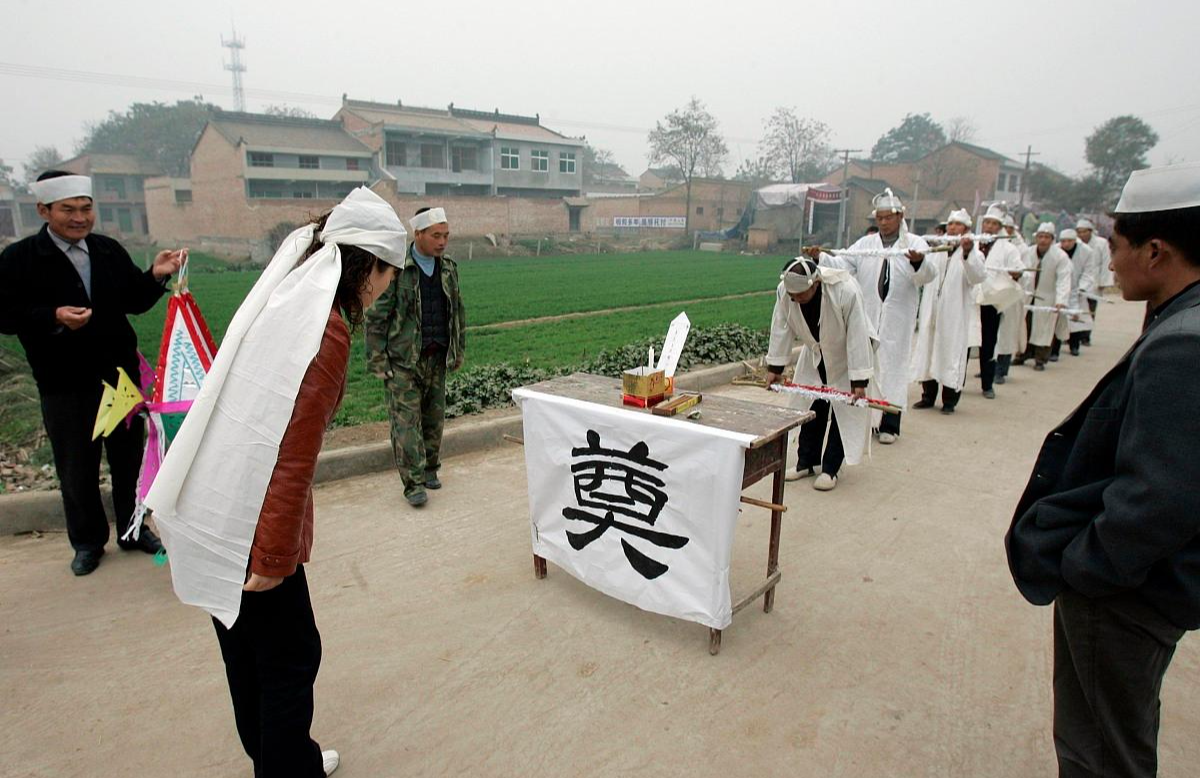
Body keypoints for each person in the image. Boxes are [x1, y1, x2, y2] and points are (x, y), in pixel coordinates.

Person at [146, 187, 409, 778]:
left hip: (214, 502)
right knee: (291, 657)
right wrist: (272, 553)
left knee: (245, 647)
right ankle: (289, 767)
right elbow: (291, 454)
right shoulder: (327, 333)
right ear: (369, 266)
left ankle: (278, 758)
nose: (387, 287)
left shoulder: (287, 299)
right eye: (389, 274)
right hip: (249, 520)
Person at [1006, 161, 1200, 778]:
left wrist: (1086, 565)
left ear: (1155, 250)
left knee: (1102, 752)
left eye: (1116, 247)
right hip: (1142, 586)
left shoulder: (1183, 345)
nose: (1110, 263)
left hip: (1125, 597)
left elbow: (1161, 497)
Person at [0, 170, 182, 575]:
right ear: (44, 210)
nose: (79, 218)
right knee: (76, 467)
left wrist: (156, 274)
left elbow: (133, 299)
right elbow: (5, 314)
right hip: (65, 385)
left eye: (86, 208)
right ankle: (87, 542)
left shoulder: (106, 251)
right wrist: (53, 316)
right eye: (69, 210)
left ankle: (134, 530)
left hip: (118, 380)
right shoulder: (20, 260)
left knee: (129, 462)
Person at [811, 188, 932, 444]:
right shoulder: (866, 245)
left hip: (897, 318)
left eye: (889, 217)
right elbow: (845, 264)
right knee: (868, 367)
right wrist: (820, 257)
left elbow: (927, 275)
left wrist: (918, 262)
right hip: (869, 315)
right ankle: (868, 421)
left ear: (900, 217)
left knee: (894, 367)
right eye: (880, 218)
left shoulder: (915, 243)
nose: (884, 222)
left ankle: (890, 424)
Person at [366, 206, 466, 507]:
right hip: (403, 361)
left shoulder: (448, 268)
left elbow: (457, 312)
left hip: (436, 357)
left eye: (446, 235)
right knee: (406, 424)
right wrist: (378, 360)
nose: (442, 241)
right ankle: (413, 484)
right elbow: (376, 317)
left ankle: (431, 469)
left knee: (433, 419)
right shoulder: (396, 269)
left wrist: (457, 350)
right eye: (436, 235)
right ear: (417, 234)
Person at [764, 257, 877, 492]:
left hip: (848, 355)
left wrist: (858, 380)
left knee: (843, 410)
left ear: (815, 283)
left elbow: (857, 334)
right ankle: (807, 461)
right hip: (815, 353)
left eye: (801, 295)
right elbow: (781, 327)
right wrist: (775, 368)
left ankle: (830, 469)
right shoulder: (785, 291)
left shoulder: (845, 291)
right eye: (792, 296)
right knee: (811, 406)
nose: (795, 300)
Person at [911, 209, 986, 413]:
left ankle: (949, 400)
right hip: (933, 310)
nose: (952, 227)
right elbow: (923, 276)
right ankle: (927, 396)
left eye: (957, 224)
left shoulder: (974, 253)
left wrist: (968, 253)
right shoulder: (937, 250)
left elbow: (978, 276)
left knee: (950, 353)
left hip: (954, 315)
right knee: (929, 350)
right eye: (950, 224)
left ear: (967, 229)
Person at [974, 205, 1025, 397]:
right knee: (964, 342)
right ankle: (955, 385)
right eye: (987, 222)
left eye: (994, 223)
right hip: (971, 300)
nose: (989, 226)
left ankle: (987, 384)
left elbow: (1019, 270)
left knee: (988, 343)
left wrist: (1016, 274)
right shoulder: (973, 243)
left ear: (1000, 227)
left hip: (991, 301)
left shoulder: (1008, 248)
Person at [1012, 223, 1072, 371]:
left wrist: (1061, 300)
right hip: (1028, 296)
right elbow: (1020, 270)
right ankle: (1023, 354)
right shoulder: (1028, 252)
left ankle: (1040, 359)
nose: (1043, 240)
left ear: (1052, 239)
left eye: (1046, 237)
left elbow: (1064, 279)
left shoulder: (1060, 257)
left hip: (1048, 297)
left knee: (1044, 329)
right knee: (1025, 325)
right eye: (1040, 236)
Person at [1053, 228, 1097, 358]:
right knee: (1058, 319)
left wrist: (1082, 287)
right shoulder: (1055, 250)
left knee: (1075, 318)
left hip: (1076, 289)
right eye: (1063, 241)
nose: (1066, 244)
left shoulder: (1086, 251)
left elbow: (1089, 271)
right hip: (1060, 289)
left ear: (1074, 240)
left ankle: (1074, 345)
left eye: (1069, 241)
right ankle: (1055, 349)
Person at [1076, 218, 1113, 344]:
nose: (1081, 235)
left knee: (1090, 308)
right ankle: (1073, 335)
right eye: (1079, 232)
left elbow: (1105, 262)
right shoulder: (1075, 243)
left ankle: (1086, 335)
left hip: (1095, 280)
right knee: (1075, 308)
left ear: (1090, 231)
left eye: (1084, 231)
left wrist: (1104, 282)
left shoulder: (1101, 243)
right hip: (1079, 279)